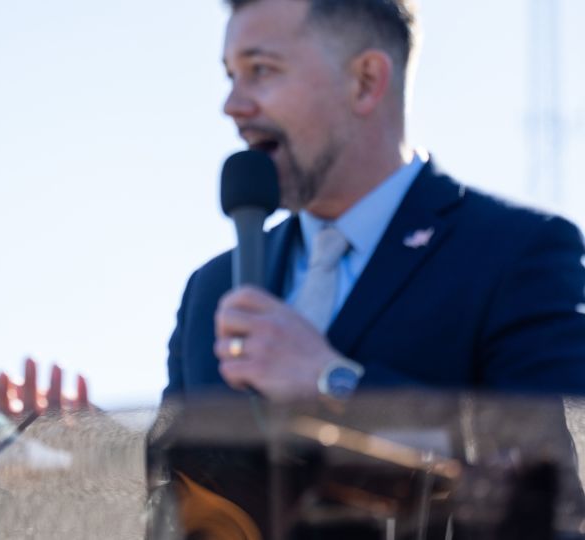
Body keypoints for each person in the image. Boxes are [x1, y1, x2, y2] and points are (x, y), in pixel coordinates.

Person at [166, 0, 585, 402]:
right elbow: (171, 454)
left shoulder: (515, 254)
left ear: (365, 81)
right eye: (231, 76)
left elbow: (551, 450)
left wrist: (331, 384)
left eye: (261, 70)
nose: (233, 106)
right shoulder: (210, 290)